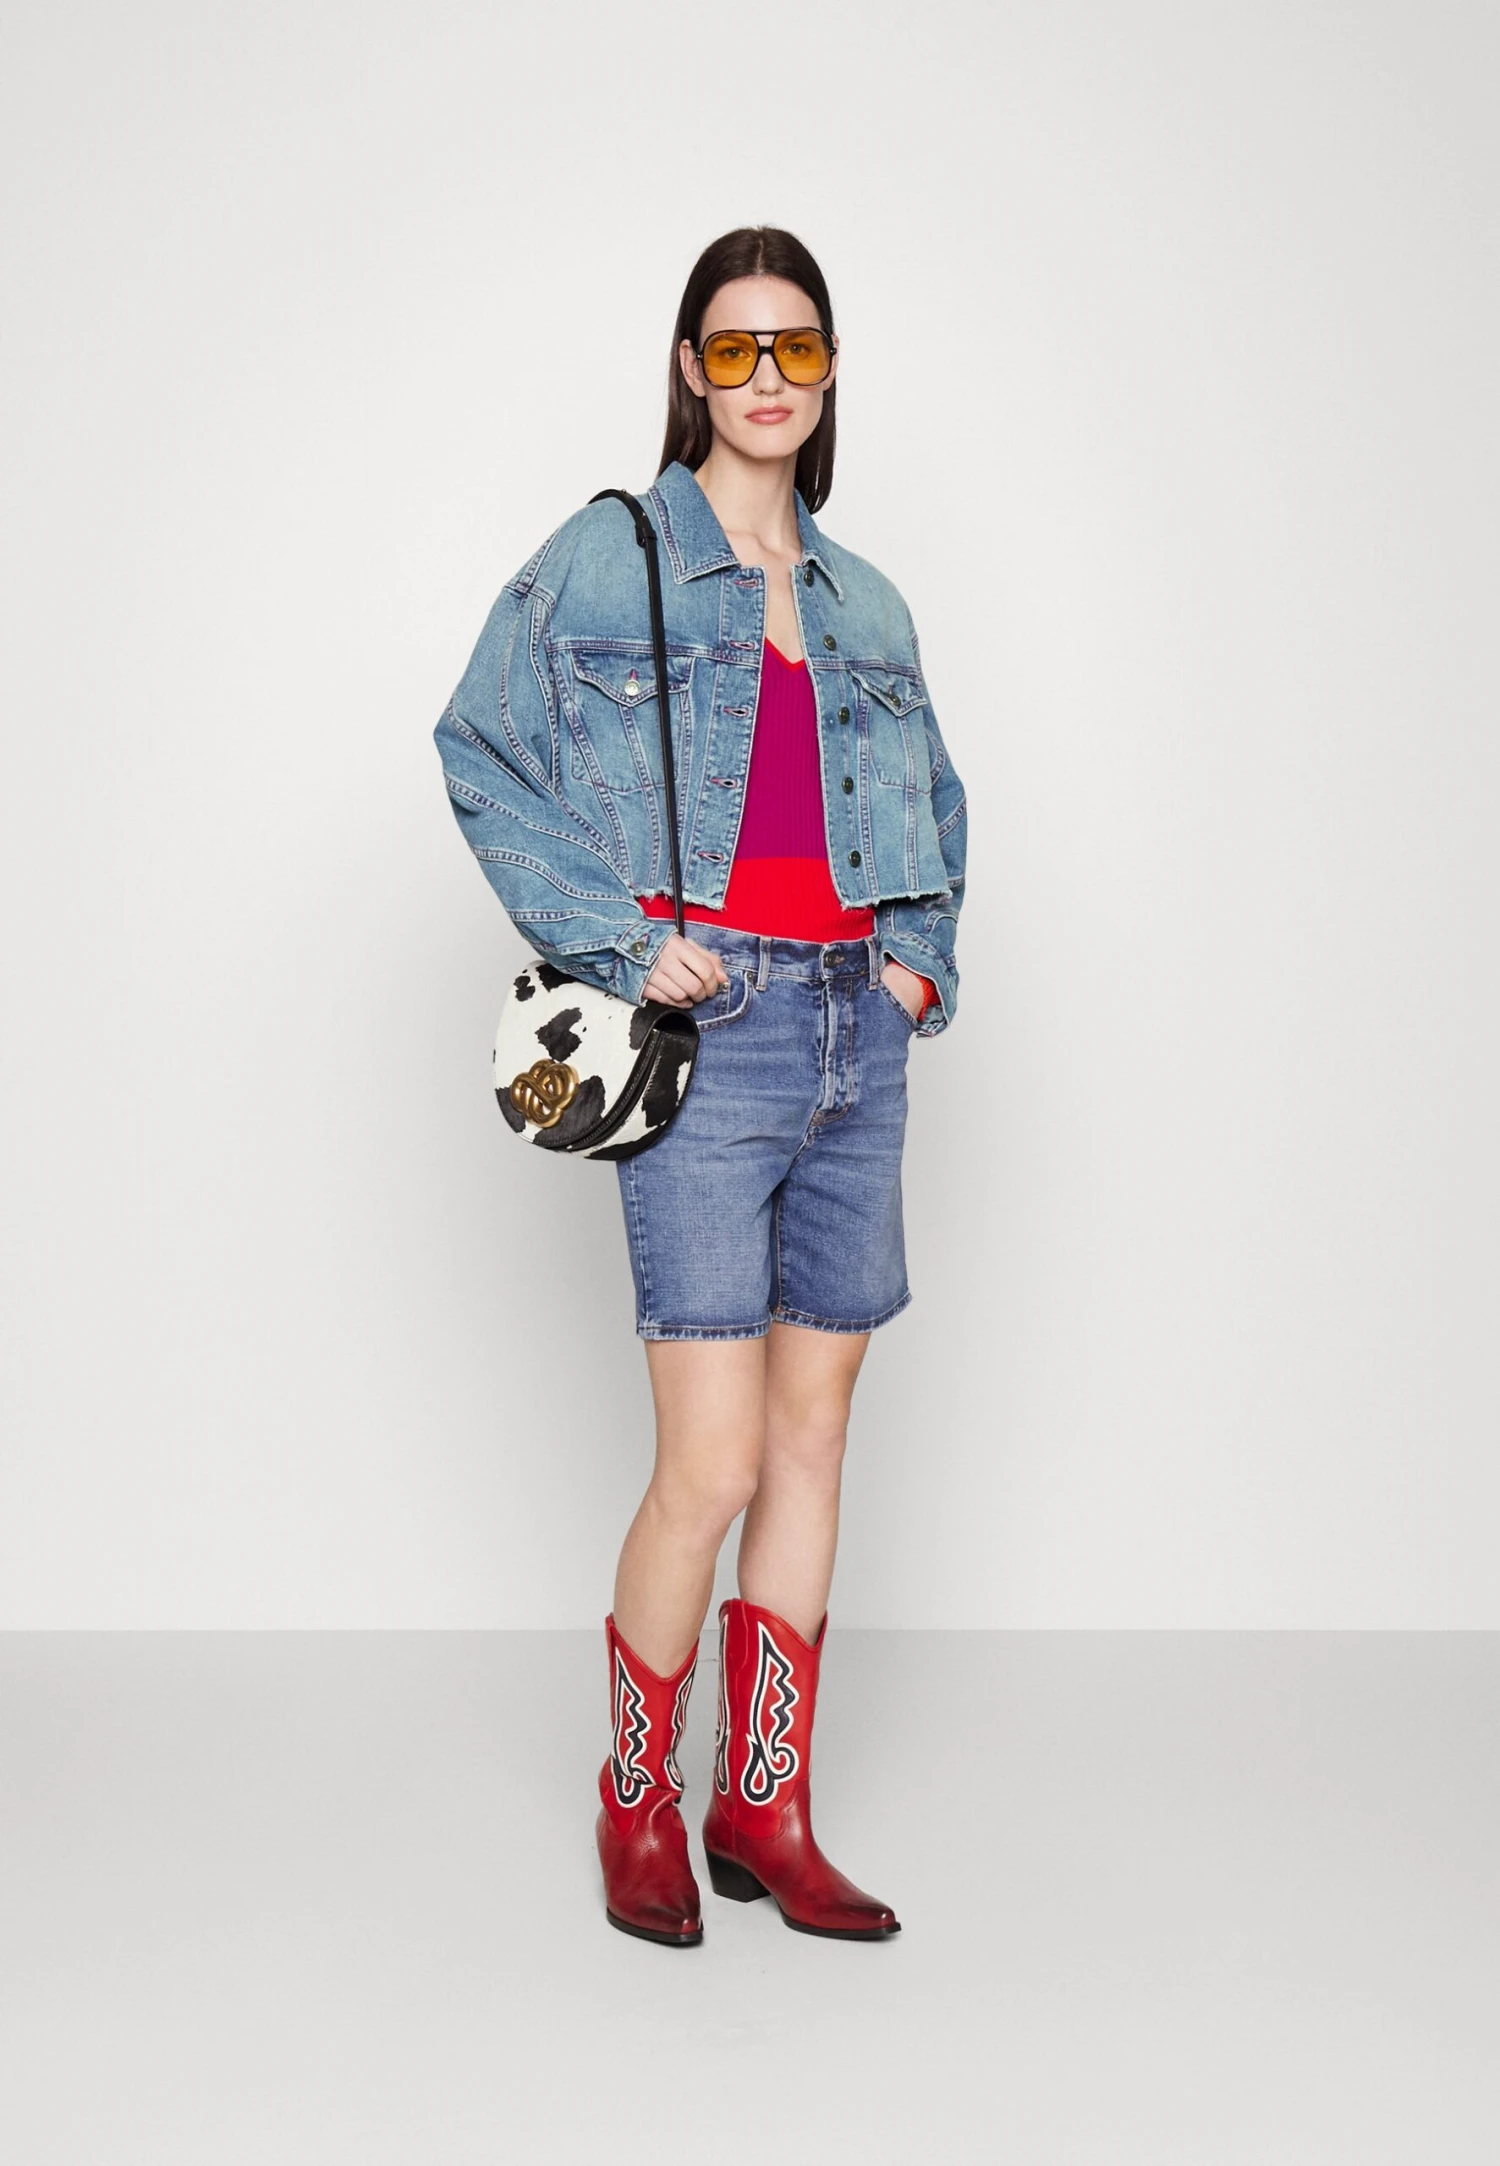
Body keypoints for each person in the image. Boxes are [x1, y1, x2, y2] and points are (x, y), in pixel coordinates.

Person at [433, 227, 966, 1946]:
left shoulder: (867, 597)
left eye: (794, 347)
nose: (765, 378)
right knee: (716, 1461)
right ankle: (638, 1802)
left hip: (855, 1041)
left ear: (829, 369)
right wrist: (616, 936)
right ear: (690, 369)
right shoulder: (615, 557)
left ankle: (766, 1805)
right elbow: (479, 743)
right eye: (734, 349)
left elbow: (935, 804)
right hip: (716, 1033)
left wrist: (915, 957)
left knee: (812, 1442)